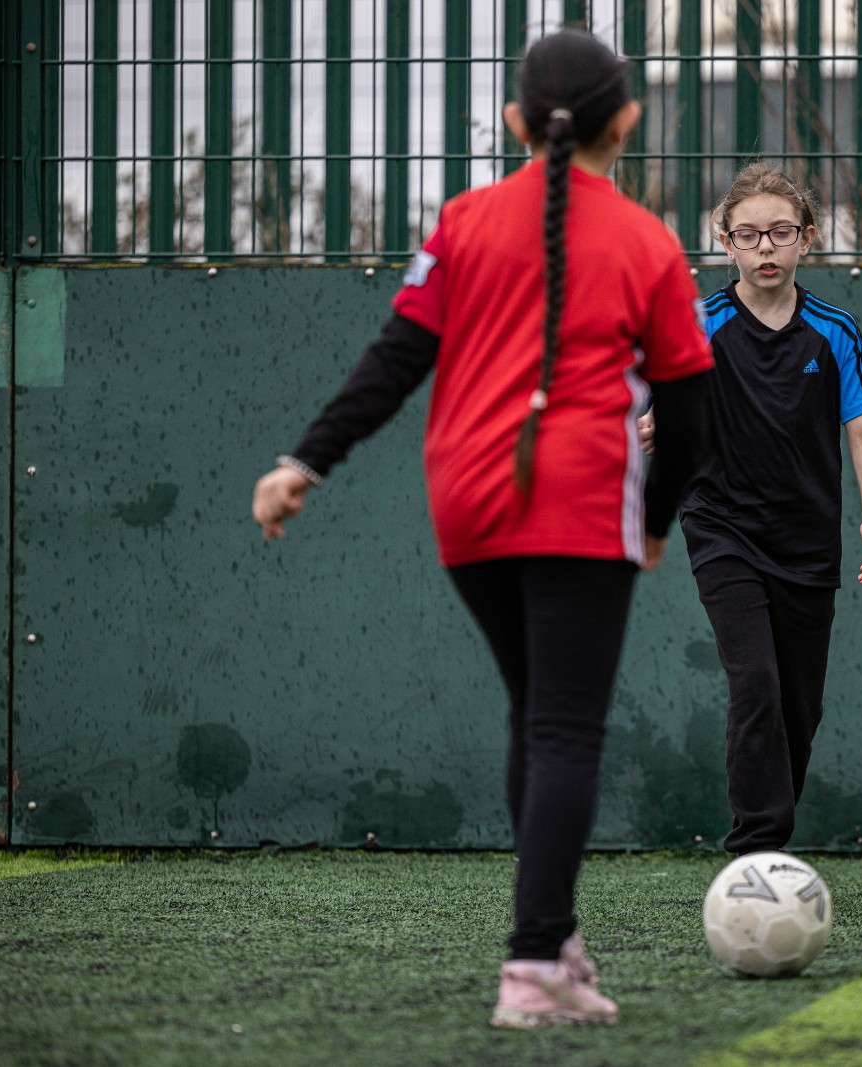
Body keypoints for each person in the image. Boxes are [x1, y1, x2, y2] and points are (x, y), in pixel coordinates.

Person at [251, 31, 714, 1029]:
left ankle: (554, 940)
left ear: (514, 122)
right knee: (563, 728)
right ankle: (535, 961)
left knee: (535, 713)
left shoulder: (463, 221)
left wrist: (304, 461)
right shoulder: (647, 242)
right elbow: (689, 414)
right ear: (628, 122)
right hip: (579, 503)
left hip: (467, 504)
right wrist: (656, 520)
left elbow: (394, 358)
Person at [641, 162, 862, 857]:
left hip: (808, 541)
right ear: (726, 244)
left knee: (798, 710)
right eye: (748, 235)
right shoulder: (701, 323)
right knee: (754, 683)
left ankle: (768, 837)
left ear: (806, 237)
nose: (765, 248)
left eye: (780, 232)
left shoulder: (835, 331)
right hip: (722, 526)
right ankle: (757, 851)